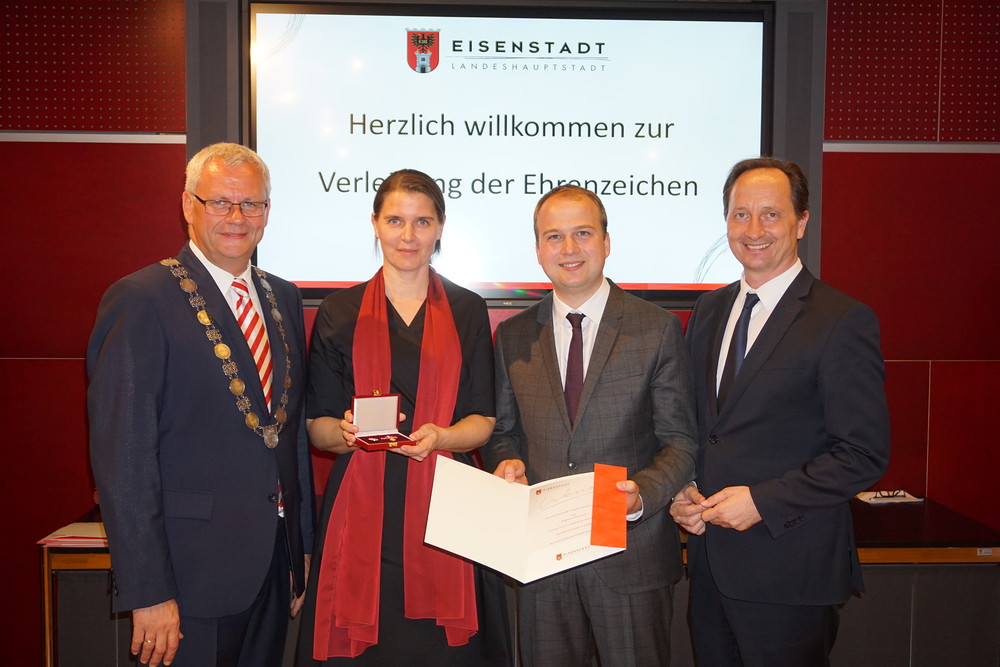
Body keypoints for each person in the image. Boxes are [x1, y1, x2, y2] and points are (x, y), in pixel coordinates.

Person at [88, 142, 313, 667]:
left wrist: (299, 548)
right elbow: (123, 459)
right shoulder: (142, 299)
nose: (237, 217)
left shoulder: (283, 297)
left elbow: (290, 432)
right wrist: (147, 591)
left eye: (251, 204)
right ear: (188, 205)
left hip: (271, 568)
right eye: (220, 202)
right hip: (187, 578)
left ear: (267, 212)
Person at [671, 157, 890, 666]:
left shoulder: (841, 319)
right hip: (710, 567)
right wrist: (683, 489)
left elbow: (862, 454)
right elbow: (702, 429)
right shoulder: (709, 311)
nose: (754, 230)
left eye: (770, 214)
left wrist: (762, 501)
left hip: (790, 570)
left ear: (801, 221)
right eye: (740, 214)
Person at [299, 169, 510, 665]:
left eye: (422, 222)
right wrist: (344, 433)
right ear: (375, 223)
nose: (408, 235)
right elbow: (317, 426)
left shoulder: (466, 308)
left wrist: (441, 437)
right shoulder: (339, 310)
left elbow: (483, 420)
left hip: (448, 505)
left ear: (440, 228)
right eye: (395, 220)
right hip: (362, 505)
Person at [483, 185, 698, 666]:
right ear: (538, 250)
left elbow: (681, 442)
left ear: (606, 241)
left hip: (631, 558)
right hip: (543, 564)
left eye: (582, 233)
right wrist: (508, 462)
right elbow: (503, 433)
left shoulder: (655, 328)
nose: (569, 248)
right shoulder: (513, 335)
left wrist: (641, 495)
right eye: (554, 236)